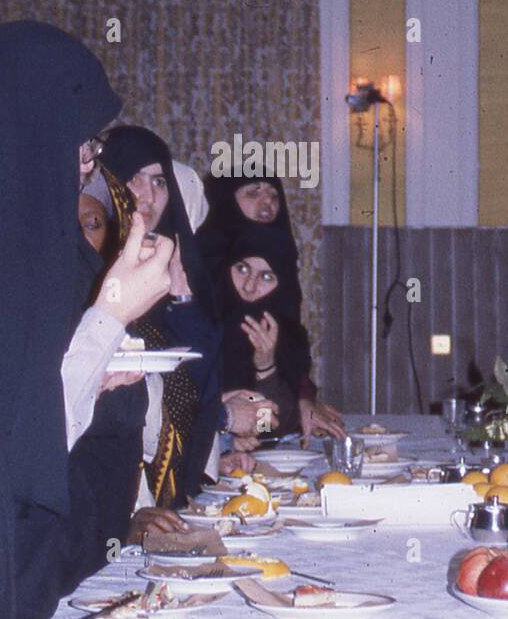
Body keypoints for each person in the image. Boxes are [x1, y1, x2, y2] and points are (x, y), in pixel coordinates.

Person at [0, 22, 173, 619]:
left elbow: (49, 407)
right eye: (84, 143)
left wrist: (99, 360)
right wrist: (112, 314)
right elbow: (6, 450)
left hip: (24, 592)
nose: (89, 164)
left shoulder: (40, 235)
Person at [102, 127, 228, 522]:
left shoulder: (175, 261)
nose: (148, 194)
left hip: (173, 490)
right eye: (134, 179)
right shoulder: (93, 265)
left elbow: (203, 380)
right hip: (116, 494)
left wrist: (182, 297)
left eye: (159, 181)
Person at [198, 171, 344, 439]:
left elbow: (266, 426)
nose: (267, 202)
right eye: (253, 192)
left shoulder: (276, 301)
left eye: (274, 195)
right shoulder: (196, 279)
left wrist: (300, 398)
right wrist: (226, 437)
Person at [220, 225, 315, 439]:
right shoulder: (203, 324)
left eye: (265, 277)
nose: (249, 287)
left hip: (252, 465)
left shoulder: (289, 338)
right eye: (242, 269)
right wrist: (225, 439)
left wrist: (265, 368)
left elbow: (267, 428)